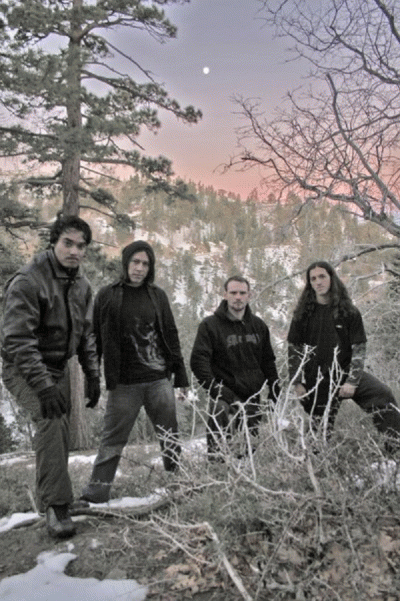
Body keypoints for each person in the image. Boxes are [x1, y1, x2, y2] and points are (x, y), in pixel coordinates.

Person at [1, 215, 100, 538]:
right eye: (67, 243)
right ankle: (56, 507)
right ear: (53, 242)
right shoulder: (28, 281)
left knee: (61, 429)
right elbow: (18, 340)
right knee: (51, 419)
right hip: (22, 367)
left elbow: (86, 335)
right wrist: (43, 387)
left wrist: (92, 374)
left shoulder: (82, 285)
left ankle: (60, 498)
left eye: (80, 246)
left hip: (58, 367)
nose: (74, 251)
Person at [81, 240, 188, 503]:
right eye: (135, 262)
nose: (139, 268)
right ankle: (97, 494)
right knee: (112, 441)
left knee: (169, 437)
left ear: (150, 268)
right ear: (126, 263)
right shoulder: (107, 295)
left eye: (145, 264)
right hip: (124, 384)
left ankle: (178, 486)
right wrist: (92, 378)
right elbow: (94, 339)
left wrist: (180, 375)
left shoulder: (157, 296)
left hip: (158, 380)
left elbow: (171, 334)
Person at [288, 261, 400, 451]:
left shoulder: (348, 311)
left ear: (332, 278)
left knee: (382, 394)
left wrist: (352, 381)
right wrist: (297, 382)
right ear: (309, 284)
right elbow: (294, 348)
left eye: (322, 276)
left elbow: (359, 348)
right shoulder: (302, 315)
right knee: (319, 430)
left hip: (346, 372)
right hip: (318, 378)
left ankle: (395, 450)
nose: (318, 282)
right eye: (313, 279)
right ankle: (314, 462)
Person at [190, 275, 280, 460]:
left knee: (249, 454)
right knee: (220, 451)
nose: (238, 297)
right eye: (233, 293)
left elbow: (268, 360)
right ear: (225, 295)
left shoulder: (258, 326)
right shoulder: (210, 325)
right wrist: (216, 389)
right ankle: (217, 470)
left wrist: (274, 387)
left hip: (252, 397)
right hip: (224, 399)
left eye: (242, 293)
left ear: (249, 295)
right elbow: (198, 361)